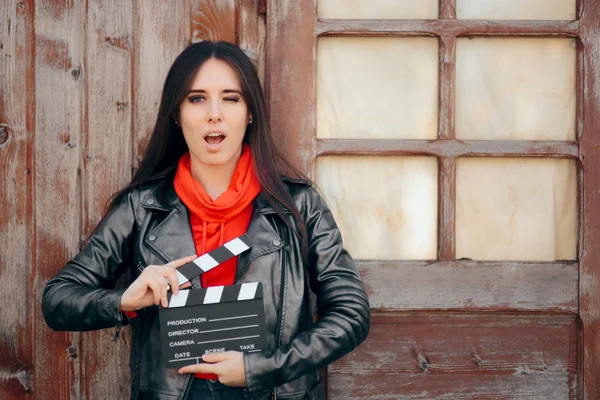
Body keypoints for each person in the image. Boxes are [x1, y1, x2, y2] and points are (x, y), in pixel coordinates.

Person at [42, 40, 370, 400]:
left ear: (249, 112)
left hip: (272, 390)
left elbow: (351, 313)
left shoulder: (299, 206)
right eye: (196, 98)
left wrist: (261, 367)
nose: (215, 113)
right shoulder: (143, 207)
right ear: (176, 114)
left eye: (231, 98)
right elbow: (58, 300)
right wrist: (124, 300)